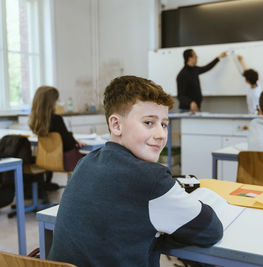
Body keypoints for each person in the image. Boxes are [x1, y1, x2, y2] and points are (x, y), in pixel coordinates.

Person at [48, 76, 223, 267]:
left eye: (164, 124)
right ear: (116, 125)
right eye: (149, 122)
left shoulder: (86, 162)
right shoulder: (152, 178)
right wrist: (160, 235)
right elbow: (211, 231)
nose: (161, 134)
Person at [29, 86, 84, 172]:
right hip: (66, 161)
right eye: (56, 100)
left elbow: (58, 138)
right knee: (93, 158)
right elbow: (69, 144)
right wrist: (72, 138)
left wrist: (71, 138)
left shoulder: (37, 121)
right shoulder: (56, 119)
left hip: (47, 160)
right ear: (50, 102)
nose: (58, 102)